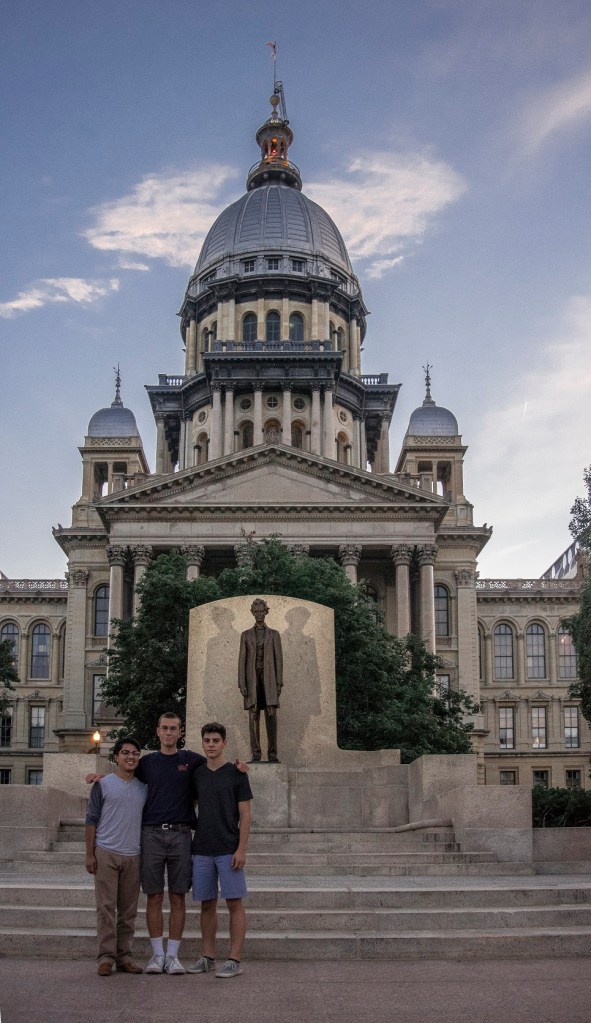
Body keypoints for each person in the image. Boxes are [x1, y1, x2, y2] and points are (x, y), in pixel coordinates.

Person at [188, 722, 253, 979]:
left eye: (216, 740)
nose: (211, 745)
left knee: (234, 903)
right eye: (207, 740)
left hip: (228, 848)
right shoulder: (197, 773)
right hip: (202, 848)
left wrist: (242, 849)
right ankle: (207, 956)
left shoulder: (237, 773)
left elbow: (245, 815)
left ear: (224, 743)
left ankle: (234, 959)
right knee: (206, 904)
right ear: (202, 743)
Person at [85, 736, 147, 976]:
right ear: (116, 757)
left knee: (128, 911)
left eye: (135, 753)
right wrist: (89, 854)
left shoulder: (144, 787)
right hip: (106, 852)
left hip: (133, 855)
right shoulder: (103, 784)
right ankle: (106, 957)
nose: (130, 757)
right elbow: (91, 820)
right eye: (125, 753)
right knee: (106, 908)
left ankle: (124, 956)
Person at [238, 598, 283, 762]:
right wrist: (242, 683)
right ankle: (255, 755)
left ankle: (273, 754)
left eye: (261, 611)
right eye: (255, 612)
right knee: (253, 714)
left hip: (270, 678)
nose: (258, 614)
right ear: (252, 613)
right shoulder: (245, 635)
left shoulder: (274, 634)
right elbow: (241, 660)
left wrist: (279, 683)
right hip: (252, 679)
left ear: (266, 612)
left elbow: (279, 660)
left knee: (271, 715)